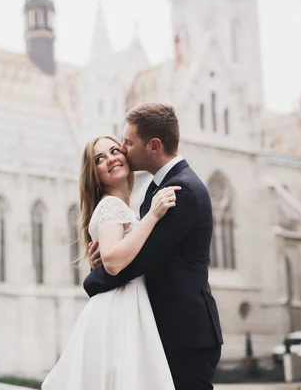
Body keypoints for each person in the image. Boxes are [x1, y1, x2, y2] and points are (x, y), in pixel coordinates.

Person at [84, 103, 223, 390]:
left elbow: (137, 261)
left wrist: (93, 279)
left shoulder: (180, 192)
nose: (122, 149)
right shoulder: (157, 188)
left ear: (154, 146)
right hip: (166, 331)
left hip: (186, 334)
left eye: (128, 142)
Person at [41, 135, 178, 390]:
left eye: (115, 150)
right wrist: (154, 215)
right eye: (99, 159)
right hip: (120, 309)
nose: (111, 158)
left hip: (126, 304)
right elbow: (113, 262)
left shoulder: (120, 207)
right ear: (95, 175)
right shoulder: (110, 206)